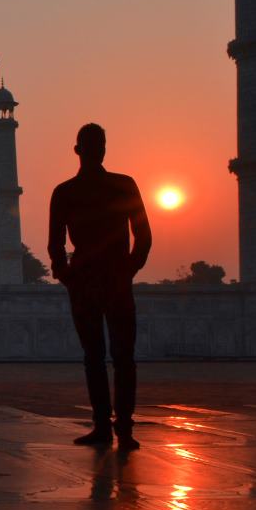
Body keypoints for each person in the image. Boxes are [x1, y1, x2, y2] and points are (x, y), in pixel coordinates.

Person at [48, 123, 151, 451]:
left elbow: (55, 246)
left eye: (98, 145)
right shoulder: (115, 186)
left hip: (99, 280)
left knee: (106, 357)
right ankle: (115, 428)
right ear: (79, 150)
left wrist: (71, 276)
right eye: (92, 146)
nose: (96, 151)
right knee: (114, 357)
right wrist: (125, 269)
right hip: (102, 280)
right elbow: (55, 245)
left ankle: (114, 427)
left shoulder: (69, 191)